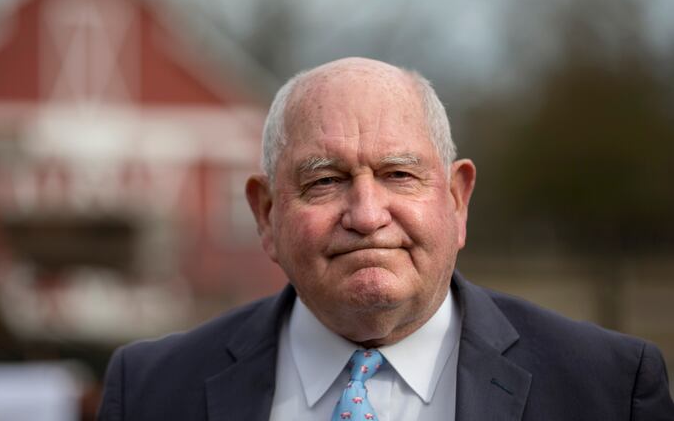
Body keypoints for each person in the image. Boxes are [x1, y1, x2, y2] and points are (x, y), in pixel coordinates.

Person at [98, 57, 674, 420]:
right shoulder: (150, 391)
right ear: (266, 214)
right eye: (325, 180)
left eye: (399, 174)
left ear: (456, 200)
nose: (367, 214)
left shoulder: (609, 390)